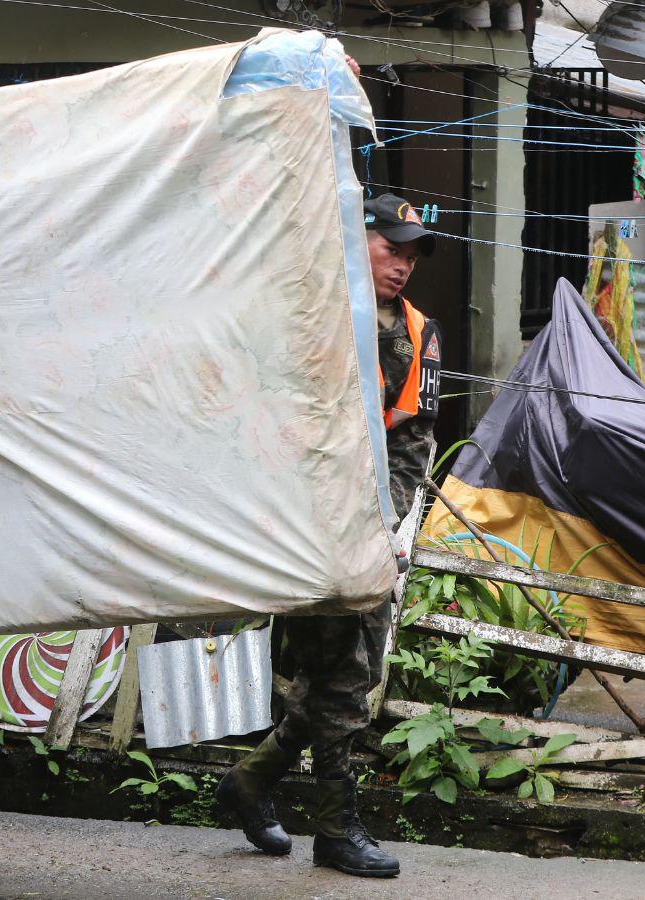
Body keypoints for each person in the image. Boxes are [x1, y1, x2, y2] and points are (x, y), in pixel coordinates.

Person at [215, 192, 440, 878]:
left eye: (409, 254)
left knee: (343, 674)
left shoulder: (415, 331)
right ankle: (334, 829)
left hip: (364, 523)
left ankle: (256, 784)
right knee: (338, 678)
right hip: (301, 521)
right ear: (355, 237)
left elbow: (415, 440)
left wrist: (381, 517)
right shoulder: (306, 310)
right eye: (388, 247)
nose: (400, 265)